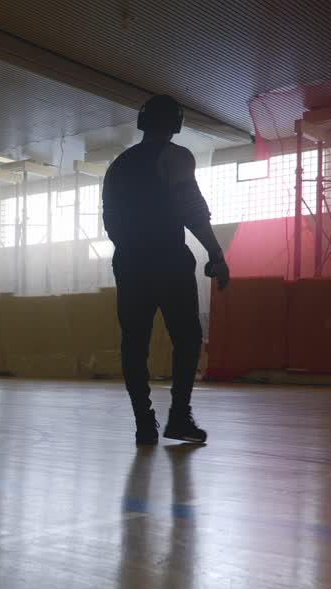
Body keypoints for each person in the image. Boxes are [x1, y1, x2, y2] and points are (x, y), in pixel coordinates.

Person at [101, 94, 230, 445]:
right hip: (168, 259)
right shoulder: (176, 156)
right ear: (176, 124)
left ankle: (144, 423)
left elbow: (109, 221)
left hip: (129, 262)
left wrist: (131, 249)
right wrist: (216, 254)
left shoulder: (118, 166)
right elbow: (193, 211)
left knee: (134, 342)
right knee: (186, 338)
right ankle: (178, 417)